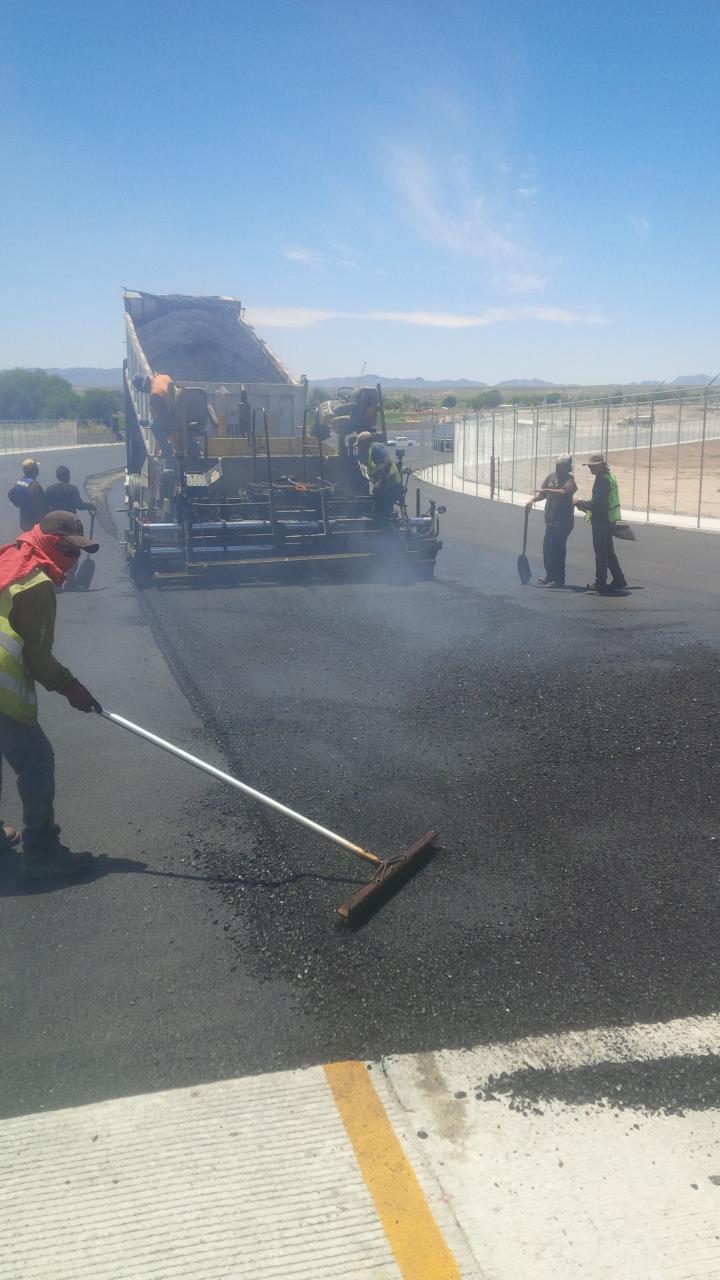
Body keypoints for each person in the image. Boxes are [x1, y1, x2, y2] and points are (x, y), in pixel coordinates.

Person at [0, 511, 102, 879]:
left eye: (78, 553)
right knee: (36, 759)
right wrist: (71, 687)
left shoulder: (9, 555)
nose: (73, 560)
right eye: (68, 551)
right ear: (49, 542)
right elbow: (39, 660)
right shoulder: (35, 583)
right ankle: (42, 851)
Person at [575, 453, 628, 593]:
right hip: (608, 519)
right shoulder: (607, 477)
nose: (590, 469)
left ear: (600, 466)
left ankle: (600, 583)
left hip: (602, 521)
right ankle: (619, 579)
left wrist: (579, 502)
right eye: (589, 466)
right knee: (609, 552)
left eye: (592, 466)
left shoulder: (603, 481)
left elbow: (598, 503)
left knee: (601, 553)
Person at [525, 453, 577, 587]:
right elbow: (543, 494)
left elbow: (564, 492)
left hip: (563, 523)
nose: (558, 468)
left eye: (562, 466)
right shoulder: (551, 476)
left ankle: (559, 579)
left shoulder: (570, 481)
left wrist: (548, 490)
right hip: (551, 520)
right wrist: (532, 500)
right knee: (547, 548)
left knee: (557, 550)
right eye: (558, 465)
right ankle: (550, 575)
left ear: (567, 467)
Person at [354, 431, 404, 521]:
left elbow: (388, 463)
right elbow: (378, 468)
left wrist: (379, 483)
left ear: (364, 442)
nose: (358, 448)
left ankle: (389, 530)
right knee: (377, 515)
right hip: (386, 488)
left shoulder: (376, 448)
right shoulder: (369, 453)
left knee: (381, 518)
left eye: (359, 445)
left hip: (392, 487)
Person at [7, 459, 44, 532]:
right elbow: (38, 505)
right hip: (33, 522)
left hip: (24, 519)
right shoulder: (33, 485)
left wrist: (21, 504)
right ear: (35, 470)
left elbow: (11, 494)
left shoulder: (20, 481)